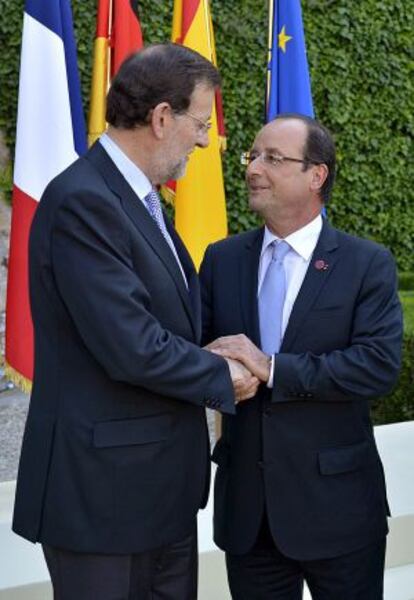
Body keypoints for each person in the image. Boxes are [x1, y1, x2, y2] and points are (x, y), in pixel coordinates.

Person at [12, 43, 258, 600]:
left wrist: (211, 349)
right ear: (162, 117)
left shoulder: (137, 199)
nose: (204, 138)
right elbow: (130, 344)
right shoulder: (84, 200)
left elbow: (157, 325)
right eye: (200, 121)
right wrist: (222, 376)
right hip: (103, 499)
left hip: (155, 494)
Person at [200, 113, 403, 599]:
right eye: (253, 156)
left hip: (340, 512)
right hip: (249, 517)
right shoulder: (222, 258)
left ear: (317, 176)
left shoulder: (365, 263)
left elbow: (377, 365)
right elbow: (197, 350)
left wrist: (272, 369)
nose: (252, 168)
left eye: (273, 158)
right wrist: (220, 371)